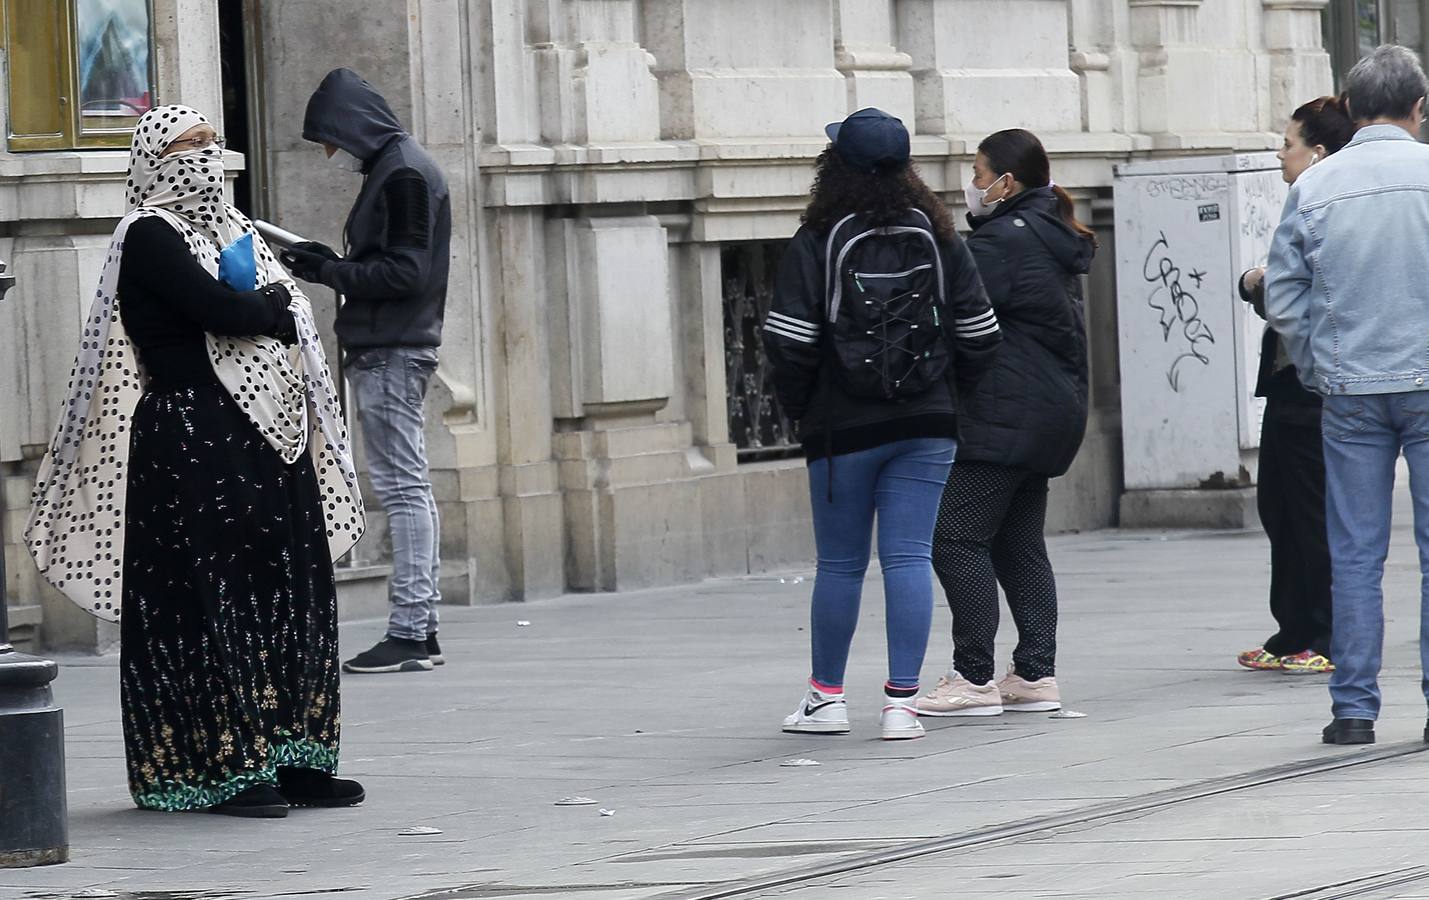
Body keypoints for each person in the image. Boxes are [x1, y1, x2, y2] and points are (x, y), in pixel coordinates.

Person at [25, 106, 367, 817]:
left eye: (214, 143)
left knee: (287, 587)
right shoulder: (147, 232)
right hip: (192, 438)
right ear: (156, 158)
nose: (208, 156)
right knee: (211, 598)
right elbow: (224, 310)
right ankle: (217, 769)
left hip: (270, 436)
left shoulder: (235, 229)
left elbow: (283, 307)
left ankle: (295, 755)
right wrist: (264, 306)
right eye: (191, 145)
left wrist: (267, 305)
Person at [764, 108, 1001, 741]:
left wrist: (806, 411)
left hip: (842, 429)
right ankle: (901, 704)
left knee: (840, 565)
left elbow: (788, 342)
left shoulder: (816, 239)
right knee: (908, 557)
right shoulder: (942, 237)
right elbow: (981, 333)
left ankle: (826, 699)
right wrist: (948, 393)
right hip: (927, 423)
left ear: (834, 166)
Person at [1266, 45, 1429, 746]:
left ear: (1352, 109)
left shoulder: (1315, 186)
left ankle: (1353, 708)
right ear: (1418, 108)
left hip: (1349, 388)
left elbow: (1282, 291)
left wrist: (1315, 360)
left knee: (1354, 551)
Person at [915, 129, 1094, 719]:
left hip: (1004, 414)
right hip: (1048, 412)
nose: (971, 184)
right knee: (1017, 543)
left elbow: (954, 317)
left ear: (1005, 183)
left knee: (955, 536)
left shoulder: (1002, 242)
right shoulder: (1046, 231)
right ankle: (1036, 673)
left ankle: (973, 676)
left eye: (977, 171)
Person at [282, 68, 453, 675]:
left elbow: (404, 273)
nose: (331, 154)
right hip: (391, 344)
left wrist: (329, 271)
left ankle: (410, 629)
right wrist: (334, 265)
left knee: (404, 486)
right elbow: (394, 263)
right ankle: (418, 628)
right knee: (409, 484)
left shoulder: (403, 174)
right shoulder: (397, 167)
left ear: (351, 127)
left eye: (330, 140)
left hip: (391, 347)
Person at [1235, 97, 1356, 677]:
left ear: (1318, 153)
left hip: (1316, 380)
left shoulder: (1328, 204)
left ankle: (1325, 633)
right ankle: (1293, 630)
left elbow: (1305, 292)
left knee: (1310, 511)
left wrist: (1258, 282)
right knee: (1279, 505)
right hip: (1289, 380)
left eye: (1289, 143)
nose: (1281, 153)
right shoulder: (1303, 203)